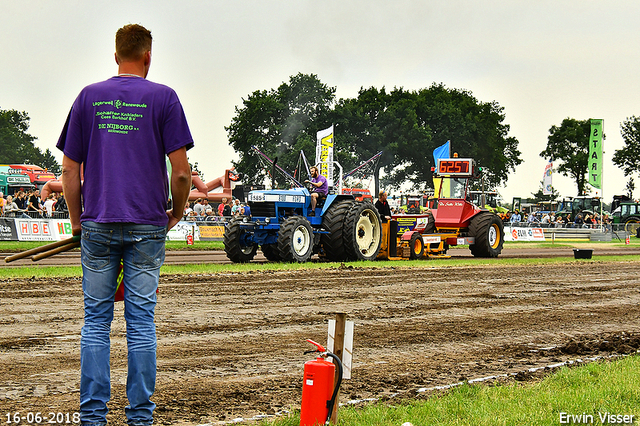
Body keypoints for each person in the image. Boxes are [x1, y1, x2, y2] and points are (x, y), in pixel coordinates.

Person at [57, 24, 193, 426]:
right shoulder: (164, 98)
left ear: (116, 55)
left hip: (98, 223)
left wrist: (77, 220)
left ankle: (93, 417)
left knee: (96, 322)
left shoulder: (87, 97)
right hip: (148, 224)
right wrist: (179, 212)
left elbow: (68, 171)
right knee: (141, 323)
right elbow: (182, 174)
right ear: (147, 57)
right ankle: (140, 417)